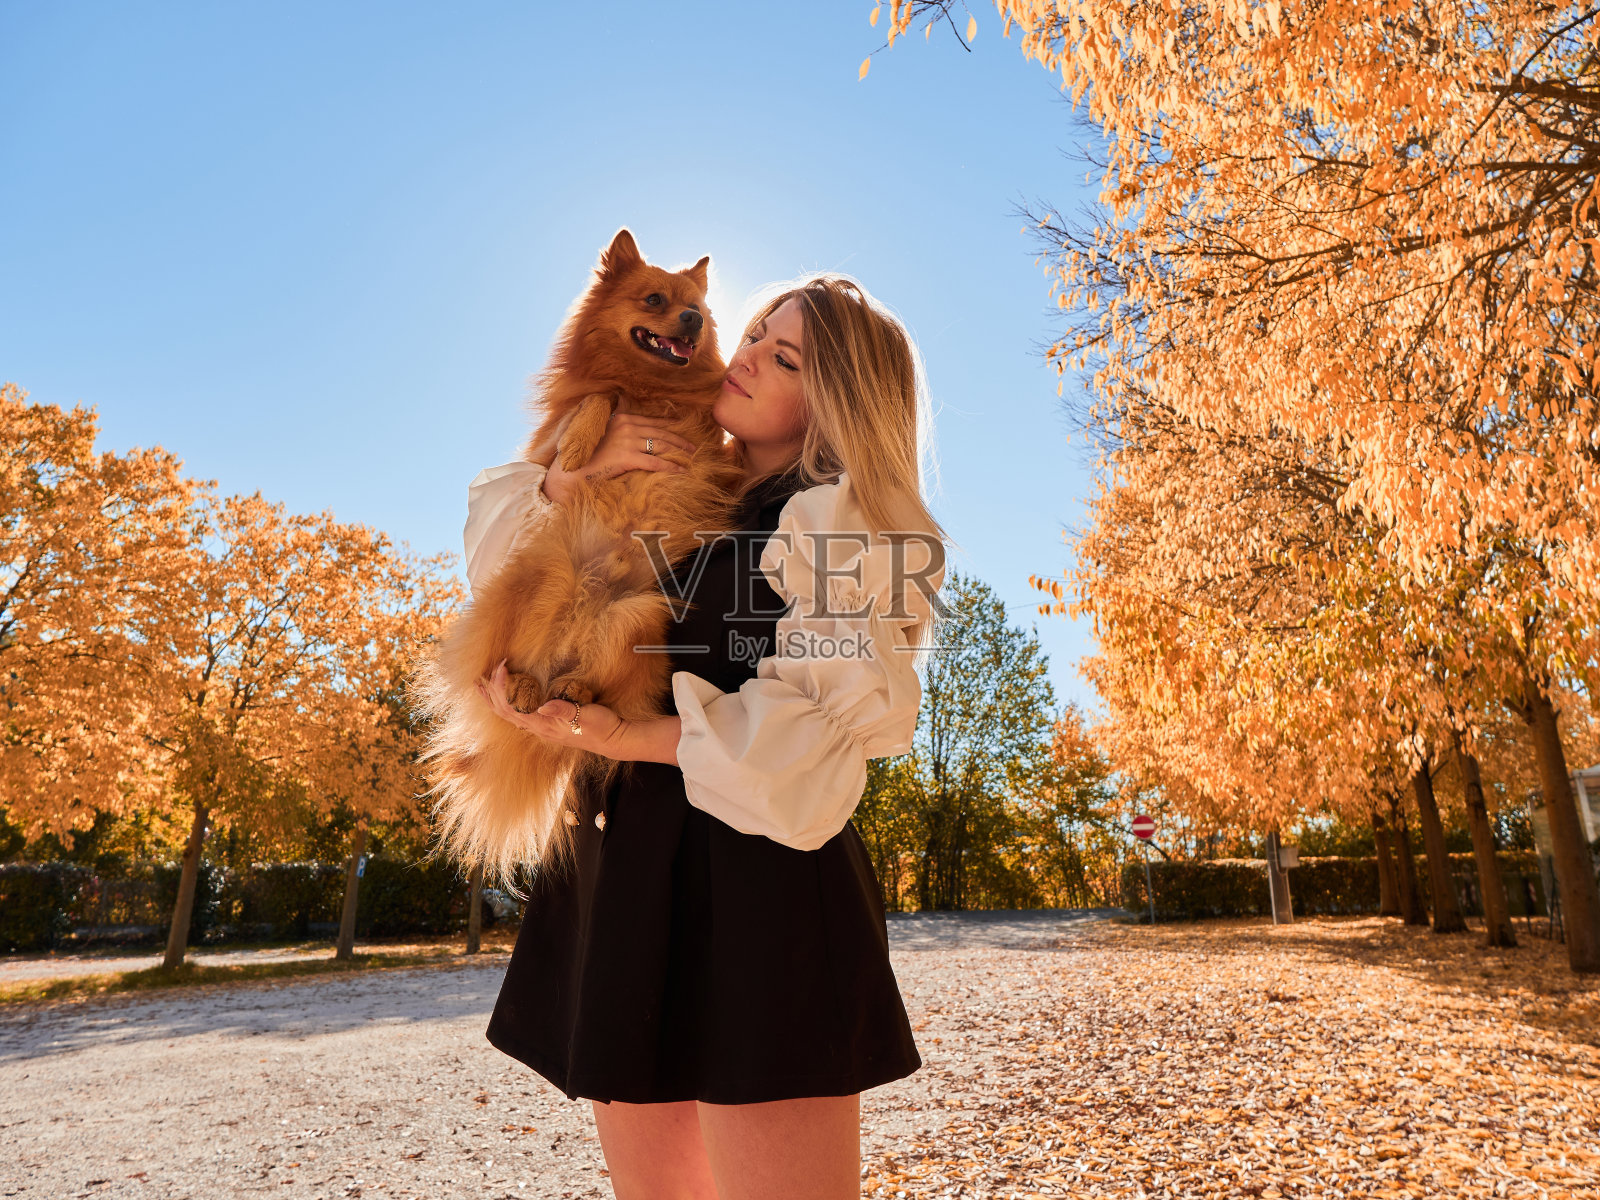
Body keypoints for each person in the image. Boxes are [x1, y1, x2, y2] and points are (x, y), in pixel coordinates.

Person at [462, 274, 948, 1198]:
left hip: (759, 889)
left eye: (786, 357)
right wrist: (571, 479)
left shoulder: (834, 523)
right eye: (756, 331)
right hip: (623, 877)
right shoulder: (670, 477)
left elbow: (813, 746)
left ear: (835, 404)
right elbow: (501, 572)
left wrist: (617, 733)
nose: (747, 355)